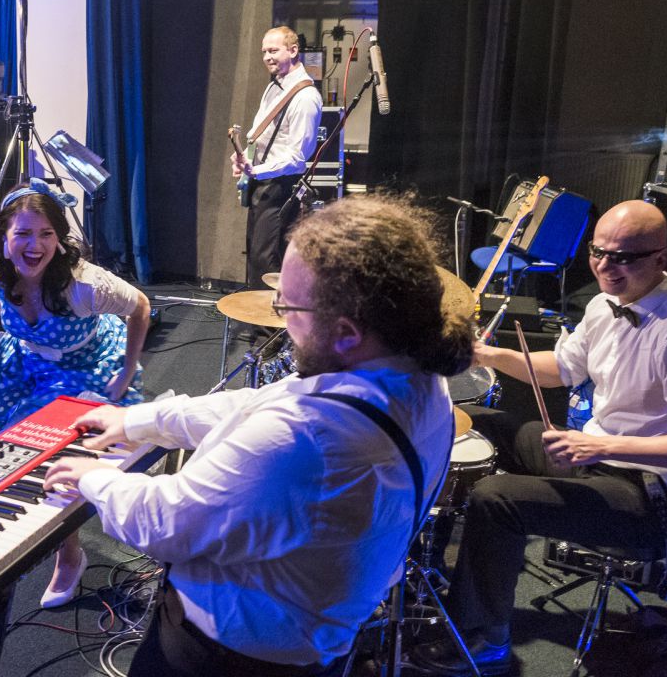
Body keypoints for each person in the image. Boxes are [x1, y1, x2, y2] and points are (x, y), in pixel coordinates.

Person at [45, 195, 471, 676]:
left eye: (287, 305)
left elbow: (166, 526)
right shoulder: (416, 376)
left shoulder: (306, 438)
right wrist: (140, 421)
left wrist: (94, 479)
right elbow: (258, 403)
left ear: (348, 331)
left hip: (224, 661)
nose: (281, 319)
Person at [413, 200, 667, 676]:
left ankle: (484, 640)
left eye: (622, 257)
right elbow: (562, 369)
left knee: (497, 499)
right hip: (596, 459)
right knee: (466, 419)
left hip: (652, 496)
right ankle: (425, 561)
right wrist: (487, 355)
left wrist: (601, 445)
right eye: (598, 252)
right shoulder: (604, 304)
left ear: (661, 258)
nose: (605, 266)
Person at [0, 179, 151, 607]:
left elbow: (141, 308)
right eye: (23, 233)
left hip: (83, 364)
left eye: (46, 234)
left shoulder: (86, 285)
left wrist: (128, 369)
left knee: (48, 455)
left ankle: (69, 553)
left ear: (58, 239)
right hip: (29, 357)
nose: (35, 245)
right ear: (4, 238)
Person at [231, 25, 323, 290]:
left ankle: (269, 317)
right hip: (263, 182)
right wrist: (242, 157)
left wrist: (257, 171)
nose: (267, 57)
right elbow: (259, 131)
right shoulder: (275, 85)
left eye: (273, 51)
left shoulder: (305, 97)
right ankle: (254, 314)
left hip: (281, 186)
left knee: (267, 259)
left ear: (293, 50)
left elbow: (298, 157)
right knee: (256, 254)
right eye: (264, 52)